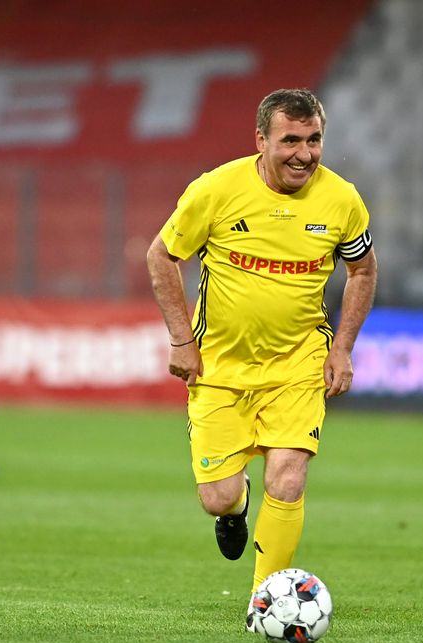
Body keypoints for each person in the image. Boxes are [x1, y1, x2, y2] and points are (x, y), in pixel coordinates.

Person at [146, 89, 377, 616]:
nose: (304, 154)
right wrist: (182, 339)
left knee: (289, 478)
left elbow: (362, 270)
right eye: (290, 140)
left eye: (314, 140)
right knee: (218, 497)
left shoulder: (342, 200)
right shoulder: (216, 190)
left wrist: (342, 348)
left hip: (298, 362)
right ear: (261, 141)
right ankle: (236, 508)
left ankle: (265, 601)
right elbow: (161, 256)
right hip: (220, 366)